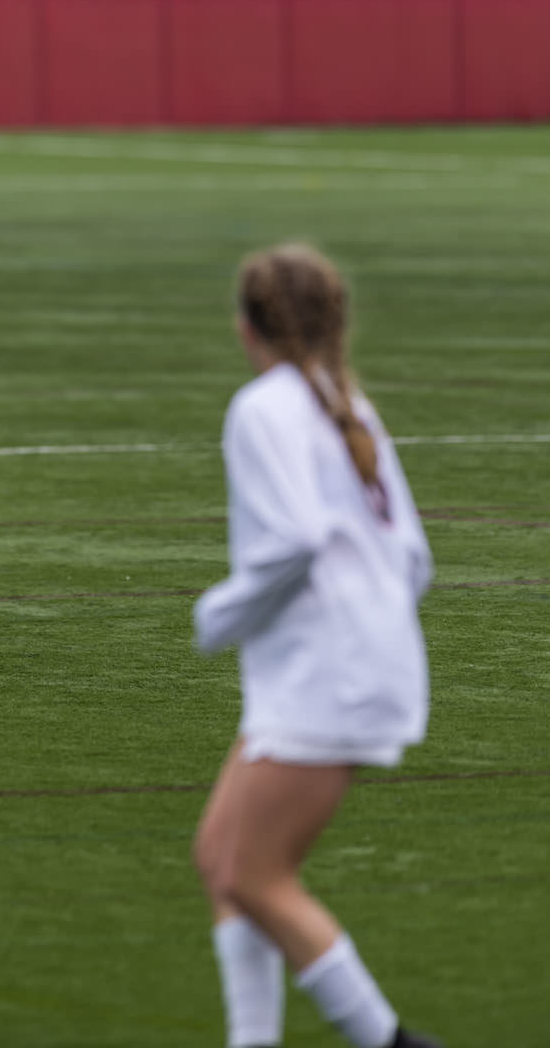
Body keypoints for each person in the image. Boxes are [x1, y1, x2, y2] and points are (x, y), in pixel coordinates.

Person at [190, 244, 442, 1048]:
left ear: (247, 326)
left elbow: (296, 537)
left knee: (253, 875)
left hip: (327, 674)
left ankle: (392, 1041)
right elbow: (415, 559)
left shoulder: (264, 406)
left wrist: (222, 613)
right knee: (218, 856)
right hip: (346, 663)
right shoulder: (345, 400)